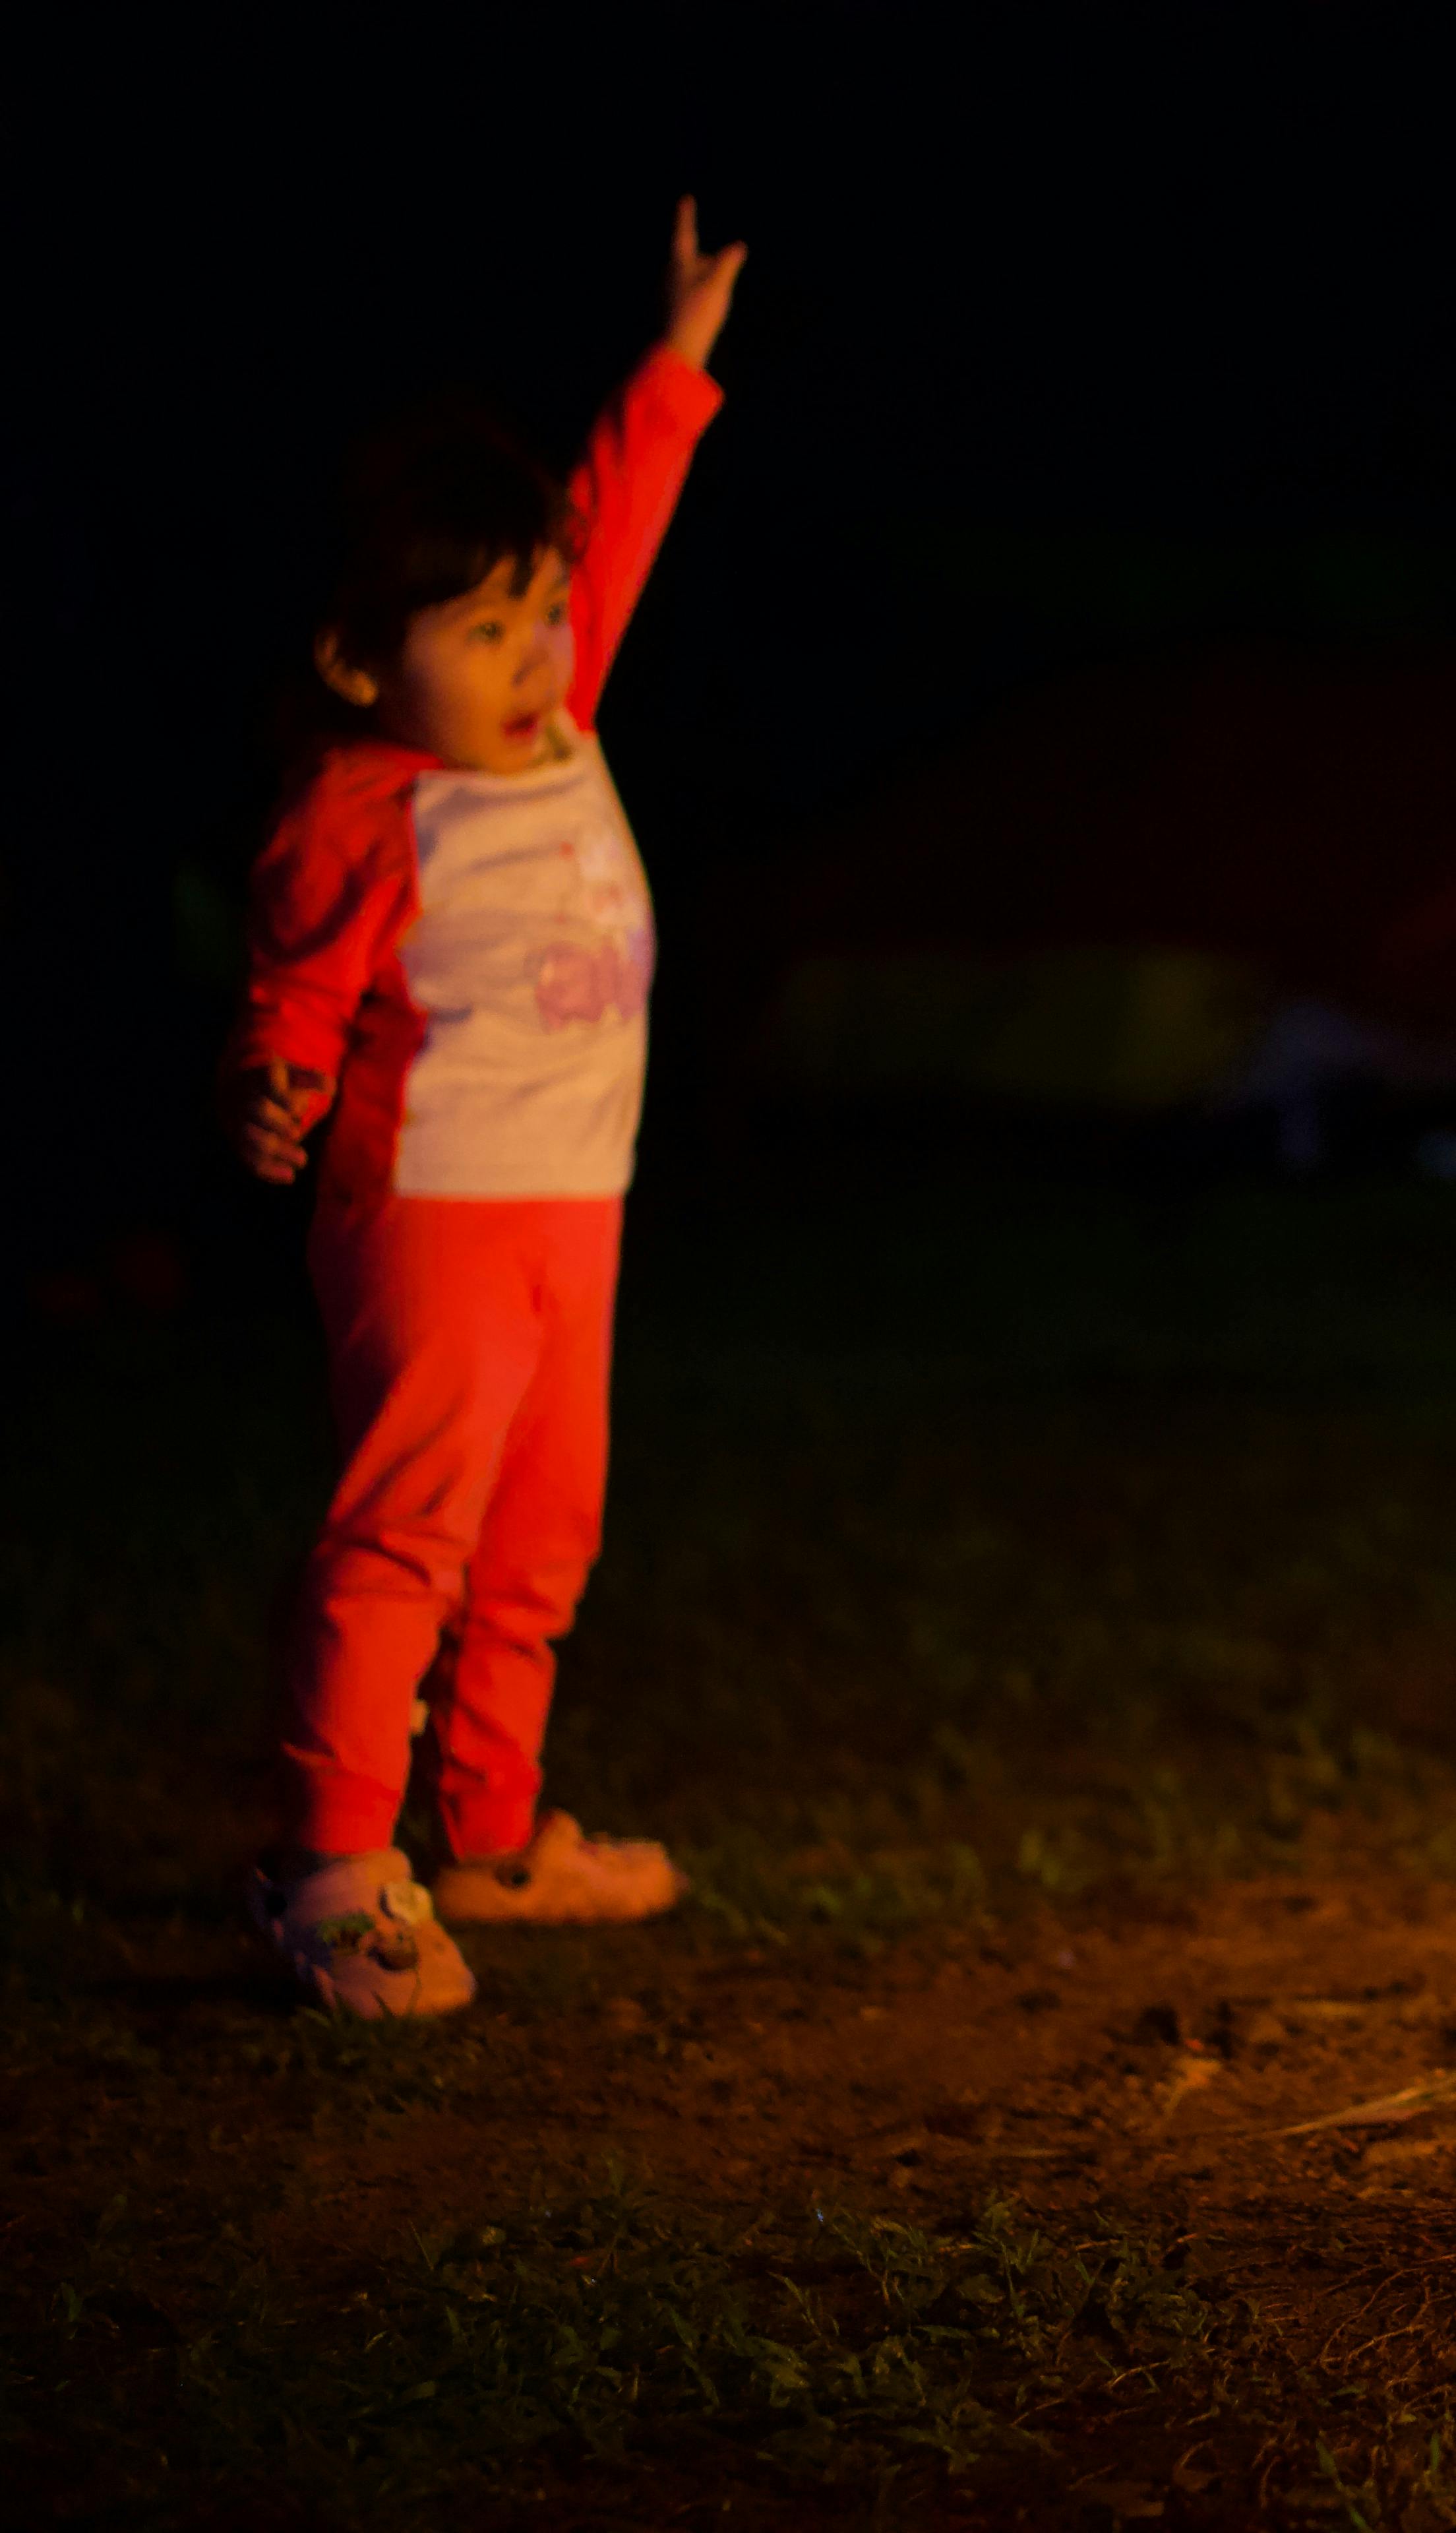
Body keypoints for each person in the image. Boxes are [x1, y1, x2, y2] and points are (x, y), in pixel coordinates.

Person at [226, 201, 746, 2017]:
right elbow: (295, 974)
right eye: (487, 624)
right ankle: (329, 1874)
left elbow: (617, 519)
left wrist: (674, 364)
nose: (536, 647)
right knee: (406, 1539)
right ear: (367, 665)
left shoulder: (569, 712)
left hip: (573, 1209)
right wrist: (279, 1076)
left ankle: (495, 1838)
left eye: (539, 609)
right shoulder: (370, 805)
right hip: (433, 1214)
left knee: (545, 1535)